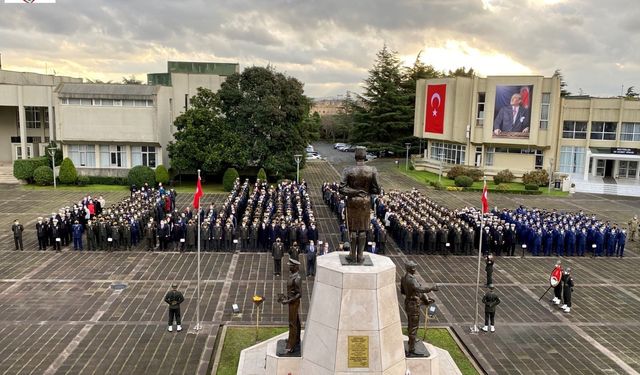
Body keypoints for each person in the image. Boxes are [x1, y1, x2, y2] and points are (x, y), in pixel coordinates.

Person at [339, 147, 381, 263]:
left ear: (355, 156)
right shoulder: (372, 170)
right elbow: (378, 189)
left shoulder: (348, 170)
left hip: (353, 201)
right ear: (365, 156)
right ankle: (360, 255)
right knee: (363, 228)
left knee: (353, 228)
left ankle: (353, 255)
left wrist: (355, 191)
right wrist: (365, 191)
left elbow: (341, 188)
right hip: (365, 201)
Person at [400, 261, 438, 356]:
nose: (415, 269)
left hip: (408, 303)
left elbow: (403, 291)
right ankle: (412, 350)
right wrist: (432, 288)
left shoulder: (404, 278)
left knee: (410, 324)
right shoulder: (411, 280)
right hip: (413, 306)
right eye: (414, 268)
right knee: (414, 327)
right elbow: (420, 289)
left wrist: (422, 297)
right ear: (412, 269)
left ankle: (411, 341)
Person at [279, 258, 302, 354]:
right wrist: (285, 297)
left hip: (294, 303)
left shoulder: (297, 278)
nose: (289, 267)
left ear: (295, 267)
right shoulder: (293, 276)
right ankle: (295, 339)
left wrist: (287, 301)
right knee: (296, 321)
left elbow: (299, 294)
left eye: (291, 266)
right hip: (291, 301)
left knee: (292, 323)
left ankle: (290, 346)